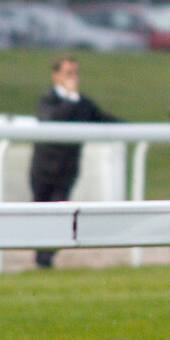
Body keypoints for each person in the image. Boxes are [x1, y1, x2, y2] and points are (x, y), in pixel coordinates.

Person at [30, 56, 120, 268]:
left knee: (58, 216)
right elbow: (52, 121)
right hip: (42, 170)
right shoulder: (47, 99)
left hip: (66, 172)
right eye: (68, 73)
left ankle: (44, 260)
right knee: (39, 214)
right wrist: (70, 98)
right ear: (56, 76)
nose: (74, 78)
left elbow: (104, 120)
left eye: (75, 73)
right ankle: (41, 258)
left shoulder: (83, 104)